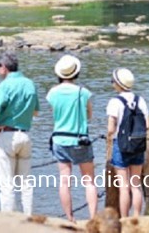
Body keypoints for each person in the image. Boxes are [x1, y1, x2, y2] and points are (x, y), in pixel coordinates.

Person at [47, 54, 97, 222]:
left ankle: (69, 217)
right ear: (76, 73)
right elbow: (89, 115)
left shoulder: (52, 92)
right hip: (80, 140)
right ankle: (92, 217)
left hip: (59, 139)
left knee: (64, 181)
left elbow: (54, 114)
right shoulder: (83, 92)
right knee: (89, 181)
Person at [0, 52, 39, 215]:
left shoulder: (4, 85)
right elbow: (36, 112)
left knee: (6, 183)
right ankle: (29, 215)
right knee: (26, 182)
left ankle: (9, 219)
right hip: (25, 135)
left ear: (3, 67)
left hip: (6, 135)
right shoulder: (30, 83)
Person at [106, 68, 149, 217]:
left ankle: (125, 219)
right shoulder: (140, 100)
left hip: (121, 146)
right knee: (135, 185)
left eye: (113, 81)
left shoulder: (115, 102)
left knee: (124, 187)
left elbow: (111, 128)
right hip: (138, 146)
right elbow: (147, 125)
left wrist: (110, 135)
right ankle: (137, 216)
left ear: (118, 84)